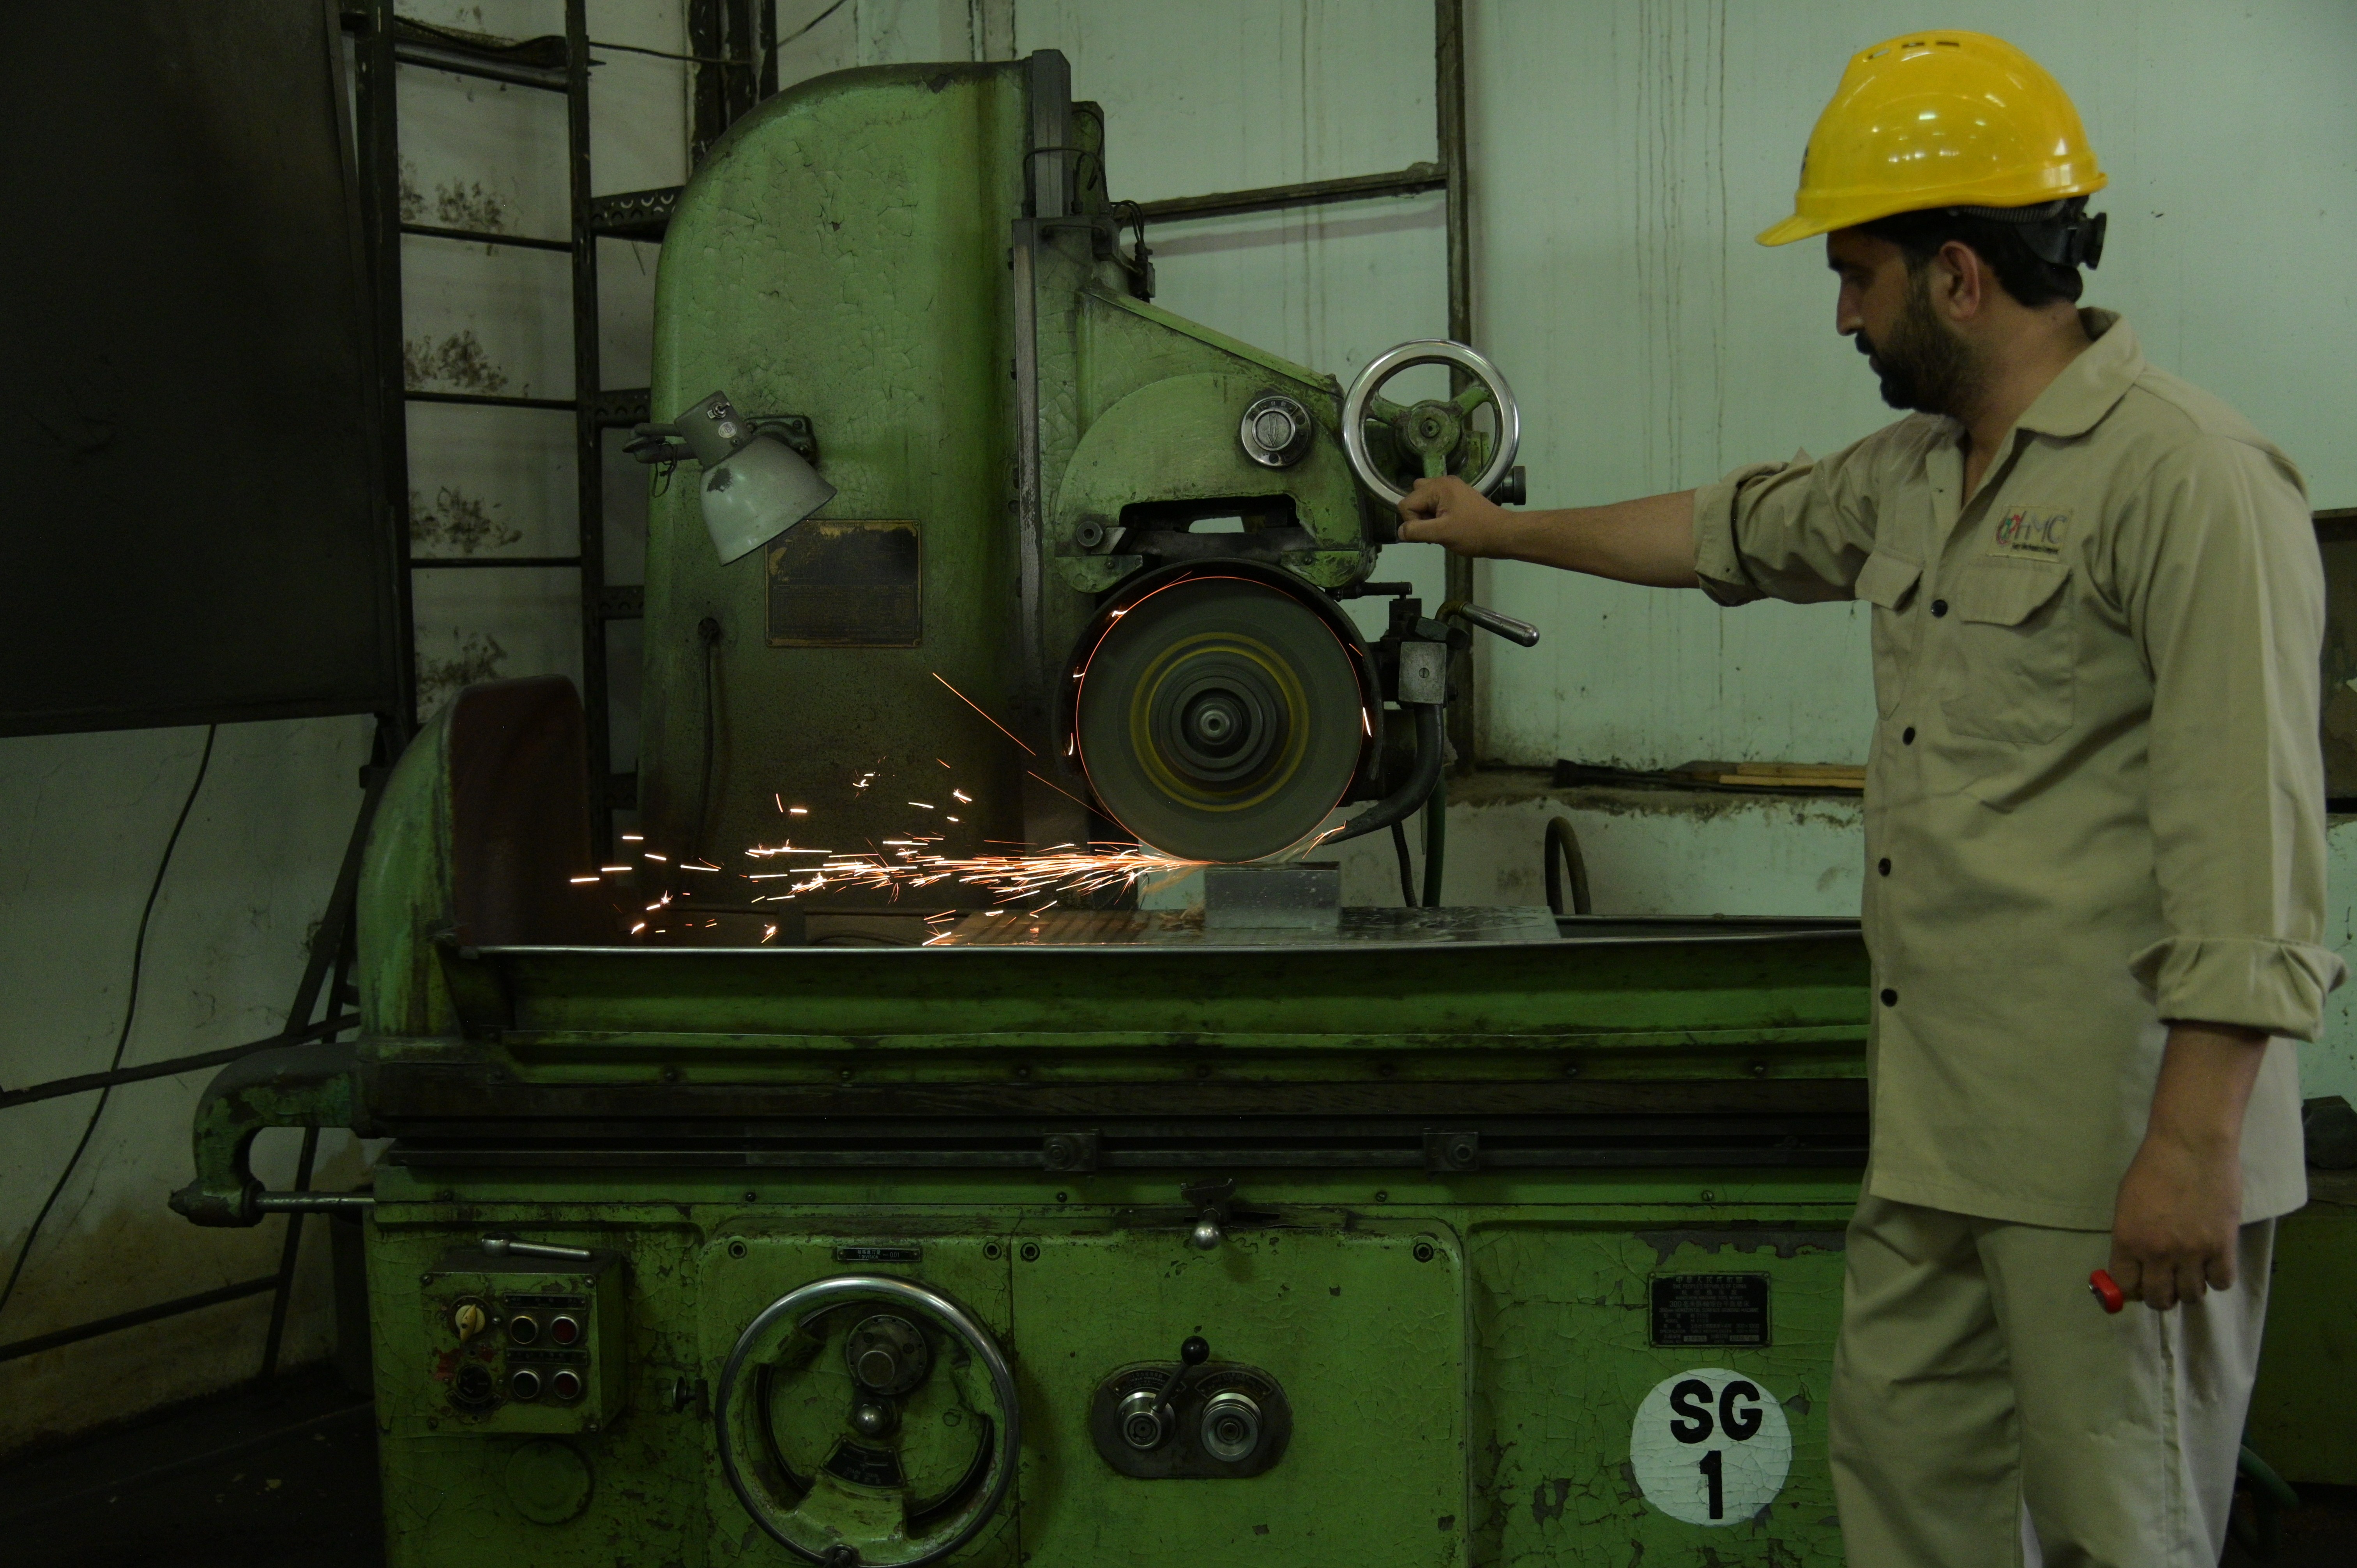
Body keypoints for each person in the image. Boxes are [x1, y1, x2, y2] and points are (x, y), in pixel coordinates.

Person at [1398, 30, 2340, 1568]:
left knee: (2125, 1533)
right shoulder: (1920, 471)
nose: (1843, 312)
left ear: (1959, 274)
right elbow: (1729, 530)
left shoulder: (2191, 483)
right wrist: (1495, 535)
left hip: (2110, 1146)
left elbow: (2253, 851)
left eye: (1859, 275)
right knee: (1914, 1508)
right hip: (1940, 1135)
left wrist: (2190, 1147)